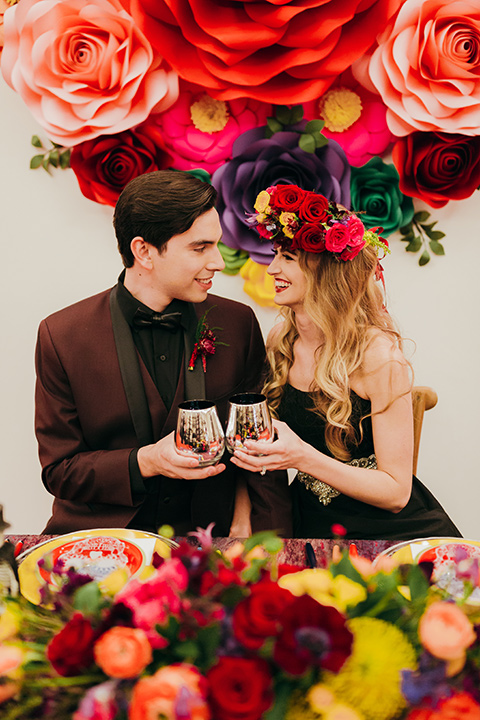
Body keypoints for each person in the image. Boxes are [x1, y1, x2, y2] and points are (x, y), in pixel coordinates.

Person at [35, 171, 291, 538]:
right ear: (144, 251)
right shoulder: (61, 336)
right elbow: (59, 471)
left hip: (211, 540)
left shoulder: (238, 323)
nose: (218, 262)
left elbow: (260, 447)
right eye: (200, 248)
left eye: (216, 245)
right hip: (99, 539)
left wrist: (266, 539)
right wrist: (147, 461)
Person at [230, 184, 461, 541]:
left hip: (386, 532)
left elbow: (397, 493)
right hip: (311, 523)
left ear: (326, 272)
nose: (272, 267)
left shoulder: (377, 357)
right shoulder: (282, 342)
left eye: (288, 258)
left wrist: (302, 458)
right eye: (275, 254)